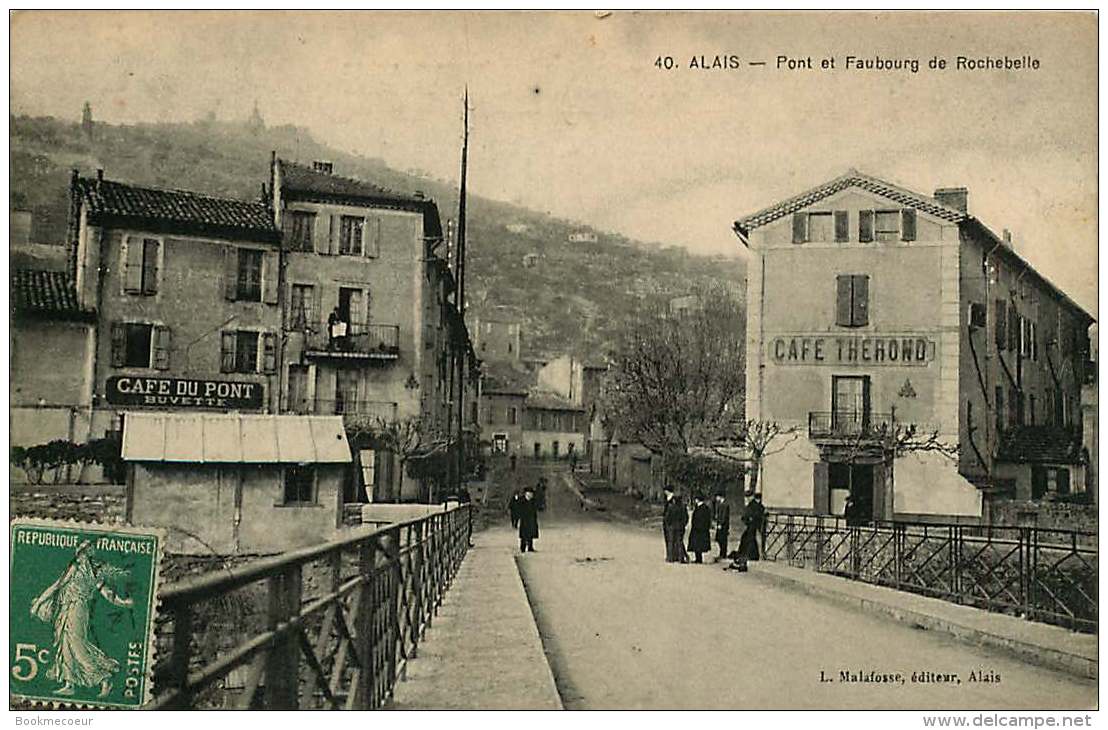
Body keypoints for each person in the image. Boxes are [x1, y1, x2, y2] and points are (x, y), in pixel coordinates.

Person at [31, 541, 134, 698]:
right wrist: (39, 602)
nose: (81, 555)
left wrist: (123, 603)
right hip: (66, 609)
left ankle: (104, 679)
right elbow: (58, 586)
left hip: (76, 609)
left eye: (84, 552)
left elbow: (107, 593)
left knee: (77, 645)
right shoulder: (80, 568)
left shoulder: (88, 570)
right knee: (65, 644)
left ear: (86, 553)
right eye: (81, 552)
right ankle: (69, 683)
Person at [738, 492, 766, 561]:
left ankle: (752, 555)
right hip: (750, 525)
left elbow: (756, 515)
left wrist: (750, 518)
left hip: (754, 525)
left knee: (751, 539)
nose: (747, 499)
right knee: (746, 538)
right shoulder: (751, 505)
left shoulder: (755, 505)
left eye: (748, 497)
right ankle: (748, 554)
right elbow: (746, 515)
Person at [662, 487, 684, 563]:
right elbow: (685, 517)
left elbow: (667, 517)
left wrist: (668, 523)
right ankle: (681, 558)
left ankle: (670, 558)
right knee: (679, 542)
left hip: (671, 526)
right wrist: (683, 524)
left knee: (671, 542)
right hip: (680, 526)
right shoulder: (682, 508)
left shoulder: (671, 507)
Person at [688, 494, 712, 563]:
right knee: (698, 545)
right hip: (701, 529)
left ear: (697, 500)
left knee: (698, 544)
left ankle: (698, 559)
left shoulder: (701, 508)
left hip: (699, 529)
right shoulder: (704, 508)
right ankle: (698, 558)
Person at [518, 486, 540, 552]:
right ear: (526, 494)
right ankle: (523, 548)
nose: (530, 495)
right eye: (529, 494)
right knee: (524, 535)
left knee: (531, 534)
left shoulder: (533, 501)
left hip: (531, 519)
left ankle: (530, 547)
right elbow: (518, 510)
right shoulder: (521, 500)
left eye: (531, 494)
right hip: (524, 520)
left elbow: (535, 509)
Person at [713, 492, 731, 562]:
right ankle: (722, 553)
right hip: (720, 525)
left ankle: (723, 554)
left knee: (723, 540)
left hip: (723, 525)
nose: (716, 498)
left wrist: (721, 524)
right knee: (720, 539)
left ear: (721, 497)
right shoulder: (720, 504)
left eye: (717, 497)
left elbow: (724, 516)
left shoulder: (725, 505)